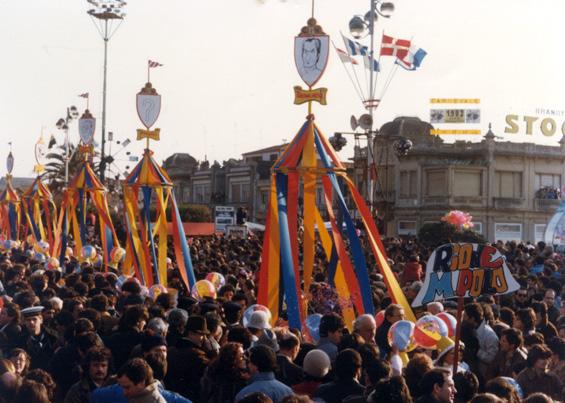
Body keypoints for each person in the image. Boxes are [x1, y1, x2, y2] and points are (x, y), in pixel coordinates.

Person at [165, 315, 210, 401]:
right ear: (191, 333)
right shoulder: (198, 355)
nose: (204, 338)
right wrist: (212, 353)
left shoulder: (170, 350)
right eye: (201, 334)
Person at [16, 306, 58, 371]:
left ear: (41, 320)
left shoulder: (53, 337)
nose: (31, 322)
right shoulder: (20, 340)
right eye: (28, 320)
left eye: (34, 319)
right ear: (25, 322)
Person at [463, 303, 498, 380]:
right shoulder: (468, 329)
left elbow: (491, 358)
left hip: (483, 375)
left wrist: (476, 351)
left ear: (472, 319)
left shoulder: (490, 335)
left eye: (465, 316)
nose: (463, 319)